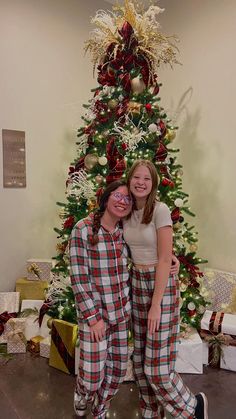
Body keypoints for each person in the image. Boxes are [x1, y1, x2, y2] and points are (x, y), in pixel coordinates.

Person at [69, 179, 179, 419]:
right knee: (92, 375)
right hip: (95, 318)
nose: (122, 201)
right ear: (106, 198)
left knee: (117, 372)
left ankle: (100, 408)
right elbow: (79, 277)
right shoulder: (83, 229)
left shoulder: (123, 232)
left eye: (127, 199)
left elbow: (147, 252)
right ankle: (82, 393)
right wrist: (93, 318)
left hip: (120, 316)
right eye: (117, 196)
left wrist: (171, 258)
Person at [123, 159, 208, 419]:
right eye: (136, 177)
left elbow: (163, 258)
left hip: (161, 288)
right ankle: (151, 412)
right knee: (139, 363)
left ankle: (192, 409)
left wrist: (156, 303)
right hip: (136, 283)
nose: (140, 182)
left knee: (157, 369)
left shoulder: (160, 210)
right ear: (129, 180)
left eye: (146, 178)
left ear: (153, 183)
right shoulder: (125, 210)